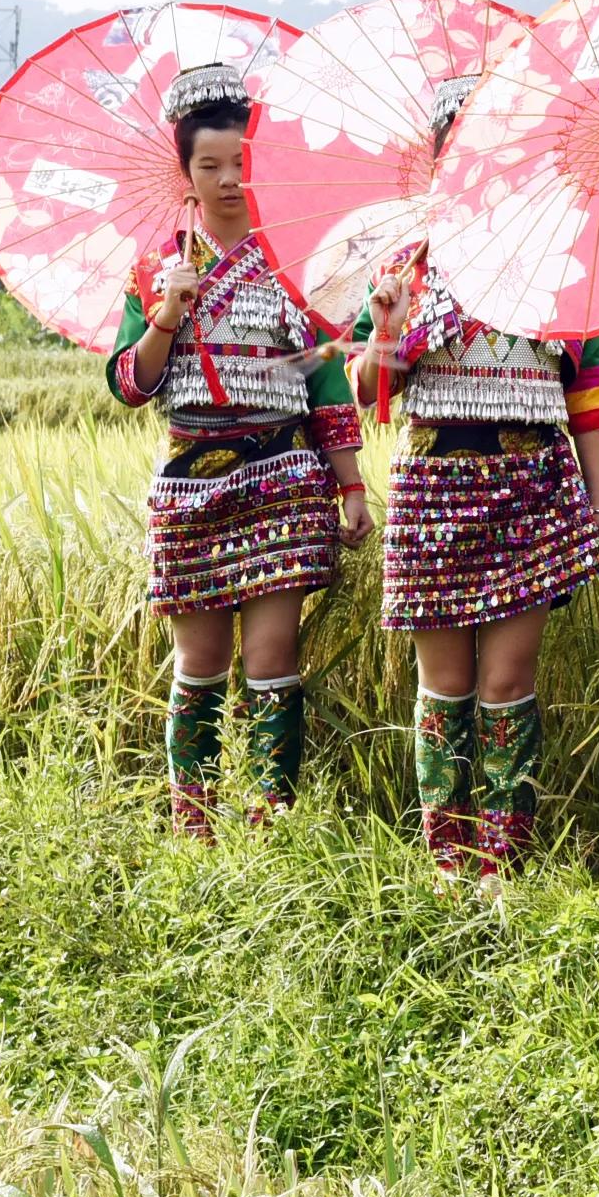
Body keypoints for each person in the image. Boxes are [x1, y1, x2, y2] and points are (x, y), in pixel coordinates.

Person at [354, 66, 599, 883]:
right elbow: (371, 392)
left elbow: (589, 394)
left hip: (532, 485)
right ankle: (448, 861)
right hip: (432, 490)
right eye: (461, 151)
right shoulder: (408, 266)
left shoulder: (562, 259)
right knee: (444, 681)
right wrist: (383, 330)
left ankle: (502, 865)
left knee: (509, 677)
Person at [107, 60, 372, 835]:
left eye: (241, 164)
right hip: (191, 484)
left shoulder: (297, 267)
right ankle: (194, 826)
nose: (228, 180)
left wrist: (352, 485)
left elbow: (327, 382)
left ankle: (268, 824)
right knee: (198, 665)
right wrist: (166, 313)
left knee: (271, 657)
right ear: (185, 173)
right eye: (210, 165)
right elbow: (129, 384)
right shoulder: (155, 270)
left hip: (284, 478)